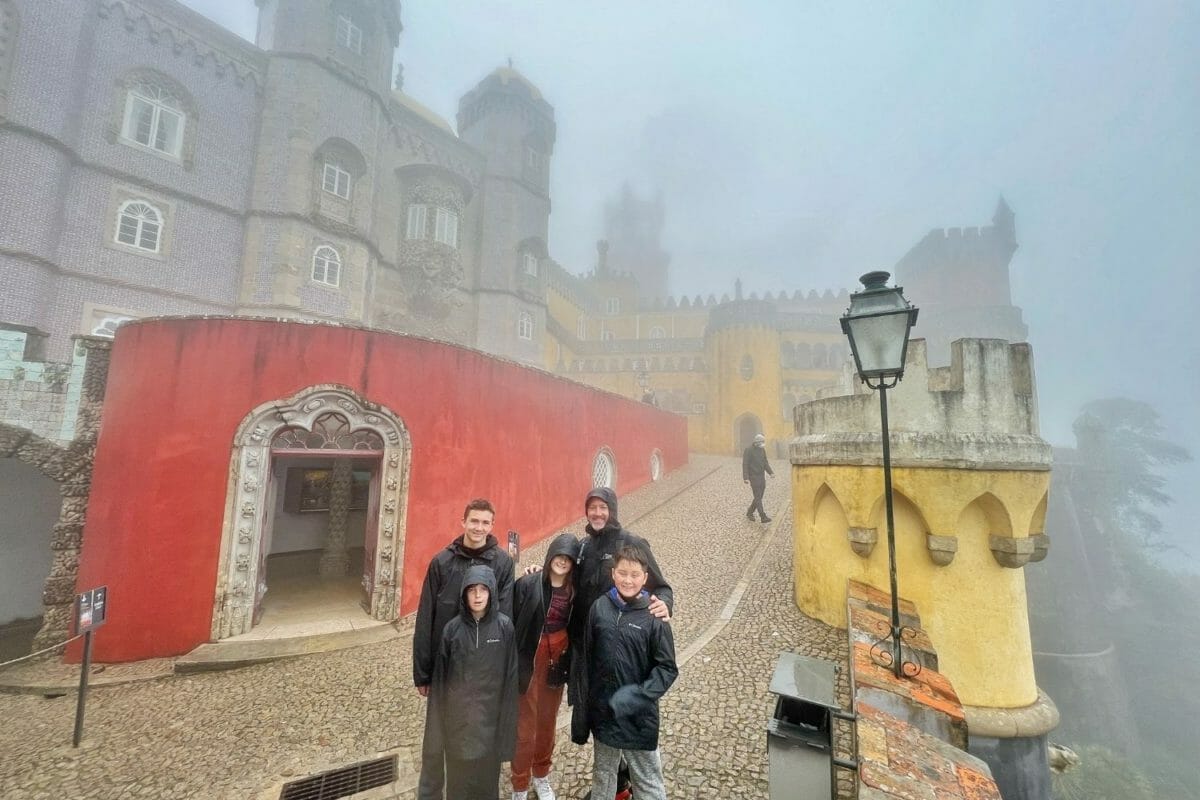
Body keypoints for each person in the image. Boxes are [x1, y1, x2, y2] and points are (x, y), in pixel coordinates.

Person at [414, 498, 515, 800]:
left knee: (483, 735)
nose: (479, 527)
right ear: (463, 522)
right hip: (447, 668)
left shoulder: (502, 563)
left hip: (484, 669)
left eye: (485, 522)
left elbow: (505, 615)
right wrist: (422, 673)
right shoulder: (441, 562)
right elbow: (425, 616)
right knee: (437, 740)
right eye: (474, 521)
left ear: (492, 526)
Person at [567, 487, 672, 744]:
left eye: (603, 507)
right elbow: (561, 578)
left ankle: (625, 780)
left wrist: (665, 604)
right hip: (588, 647)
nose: (597, 513)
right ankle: (610, 781)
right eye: (592, 507)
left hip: (620, 646)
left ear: (612, 510)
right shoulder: (583, 547)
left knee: (622, 714)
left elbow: (661, 586)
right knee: (595, 714)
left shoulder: (631, 543)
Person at [577, 544, 678, 800]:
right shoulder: (600, 607)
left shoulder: (654, 617)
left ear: (645, 578)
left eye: (635, 575)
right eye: (623, 573)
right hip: (604, 713)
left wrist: (640, 696)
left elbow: (667, 668)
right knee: (604, 775)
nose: (628, 580)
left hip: (638, 717)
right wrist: (584, 709)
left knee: (647, 781)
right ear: (613, 574)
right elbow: (587, 660)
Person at [422, 565, 519, 800]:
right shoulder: (452, 631)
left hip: (490, 728)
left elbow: (510, 681)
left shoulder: (504, 627)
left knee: (487, 790)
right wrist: (437, 736)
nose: (477, 596)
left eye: (483, 590)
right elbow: (440, 688)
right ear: (464, 593)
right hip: (459, 730)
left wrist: (507, 734)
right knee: (459, 789)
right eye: (472, 590)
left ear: (492, 593)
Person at [510, 533, 581, 800]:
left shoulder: (576, 591)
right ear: (550, 556)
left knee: (547, 723)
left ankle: (541, 775)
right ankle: (519, 784)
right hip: (530, 654)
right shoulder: (529, 583)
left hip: (557, 657)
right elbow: (511, 622)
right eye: (559, 556)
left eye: (568, 558)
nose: (562, 561)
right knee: (524, 727)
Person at [742, 432, 774, 522]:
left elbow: (765, 462)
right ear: (757, 442)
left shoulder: (762, 450)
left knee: (759, 497)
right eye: (762, 442)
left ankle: (750, 512)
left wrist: (770, 472)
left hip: (761, 476)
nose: (763, 444)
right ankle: (763, 516)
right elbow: (745, 464)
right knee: (757, 496)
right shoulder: (748, 450)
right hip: (753, 477)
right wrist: (746, 477)